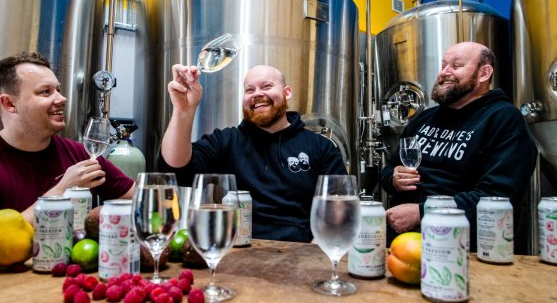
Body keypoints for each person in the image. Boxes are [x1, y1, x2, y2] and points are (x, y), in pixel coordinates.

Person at [158, 64, 347, 242]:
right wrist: (184, 110)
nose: (257, 94)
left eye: (267, 86)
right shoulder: (226, 141)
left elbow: (338, 209)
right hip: (235, 253)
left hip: (301, 253)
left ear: (286, 92)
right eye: (250, 90)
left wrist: (312, 258)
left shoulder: (321, 147)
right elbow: (176, 170)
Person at [380, 42, 537, 252]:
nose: (445, 72)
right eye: (443, 65)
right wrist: (393, 178)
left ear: (484, 73)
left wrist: (422, 212)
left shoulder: (503, 119)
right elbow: (389, 169)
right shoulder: (425, 118)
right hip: (401, 235)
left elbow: (497, 198)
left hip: (461, 244)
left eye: (457, 65)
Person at [0, 52, 134, 223]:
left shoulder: (81, 154)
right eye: (45, 92)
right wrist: (64, 188)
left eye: (58, 90)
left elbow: (139, 200)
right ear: (9, 103)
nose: (62, 98)